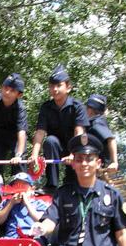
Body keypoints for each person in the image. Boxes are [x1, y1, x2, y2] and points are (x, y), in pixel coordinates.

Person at [33, 134, 126, 246]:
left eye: (89, 159)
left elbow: (121, 234)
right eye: (79, 159)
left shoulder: (112, 195)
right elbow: (51, 220)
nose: (84, 164)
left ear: (98, 163)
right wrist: (41, 228)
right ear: (73, 163)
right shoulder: (63, 194)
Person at [29, 64, 89, 192]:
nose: (54, 89)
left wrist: (74, 154)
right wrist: (34, 155)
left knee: (73, 183)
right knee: (50, 141)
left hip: (75, 148)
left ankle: (73, 183)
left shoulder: (77, 106)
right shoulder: (46, 107)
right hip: (56, 148)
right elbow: (40, 132)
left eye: (58, 85)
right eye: (51, 86)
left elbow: (79, 132)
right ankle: (51, 185)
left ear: (68, 87)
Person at [0, 173, 48, 238]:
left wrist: (26, 203)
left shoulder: (39, 204)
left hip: (32, 238)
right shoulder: (7, 202)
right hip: (11, 238)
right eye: (16, 186)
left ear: (32, 189)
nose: (20, 190)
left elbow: (42, 221)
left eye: (24, 186)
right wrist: (11, 204)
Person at [85, 94, 118, 172]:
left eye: (87, 107)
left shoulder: (96, 123)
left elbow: (111, 139)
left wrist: (114, 162)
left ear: (92, 109)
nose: (85, 109)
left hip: (104, 169)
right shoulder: (93, 122)